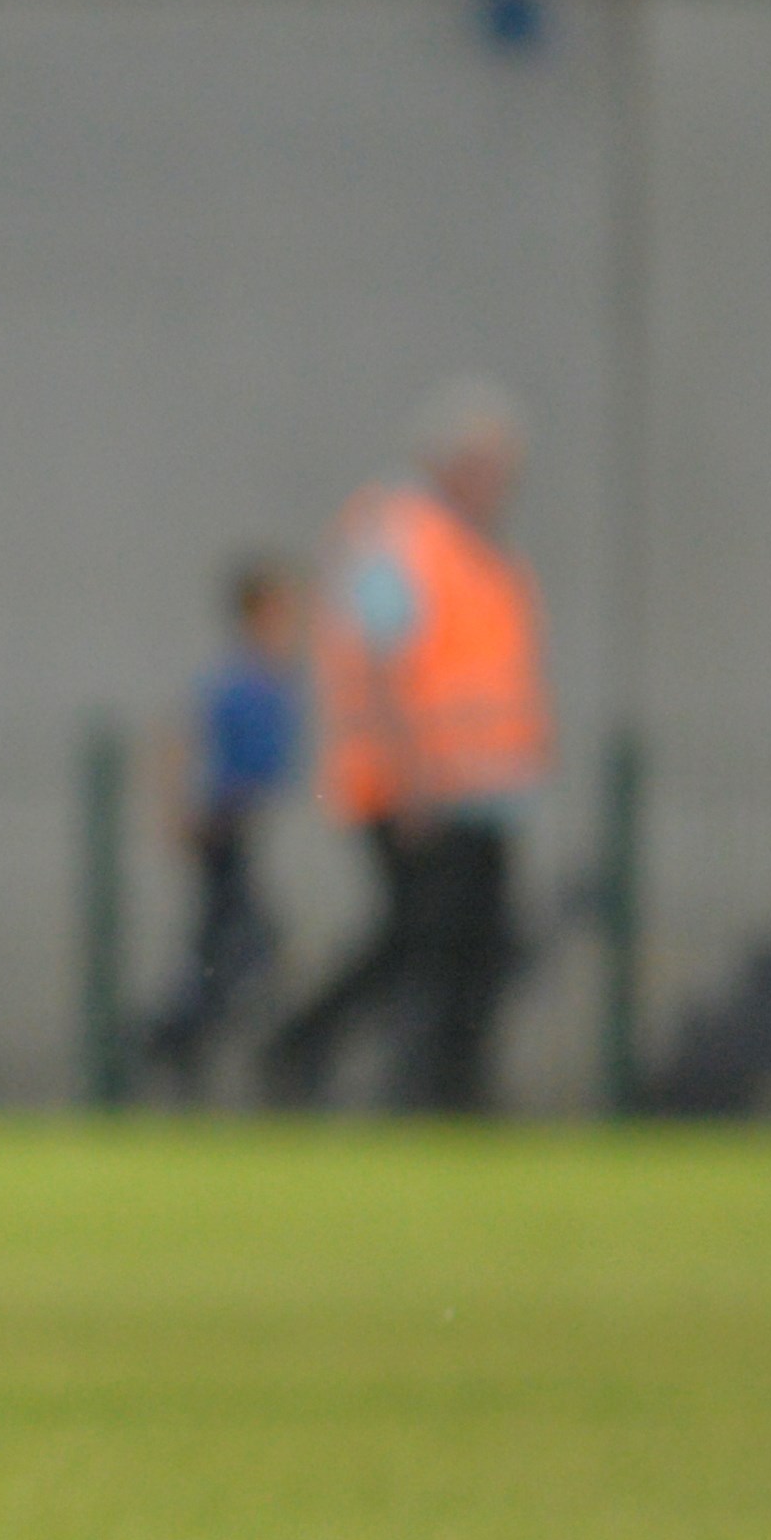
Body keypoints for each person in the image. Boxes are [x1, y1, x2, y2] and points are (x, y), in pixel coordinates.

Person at [264, 383, 548, 1116]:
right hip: (414, 790)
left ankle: (456, 1086)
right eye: (487, 467)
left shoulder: (478, 550)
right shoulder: (400, 540)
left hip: (485, 793)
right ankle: (309, 1051)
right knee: (416, 944)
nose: (500, 485)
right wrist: (414, 779)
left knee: (476, 949)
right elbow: (382, 667)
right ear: (448, 464)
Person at [134, 557, 306, 1096]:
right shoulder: (238, 679)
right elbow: (176, 737)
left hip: (241, 826)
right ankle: (164, 1039)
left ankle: (175, 1044)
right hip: (221, 827)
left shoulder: (274, 678)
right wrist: (175, 812)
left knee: (224, 947)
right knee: (241, 947)